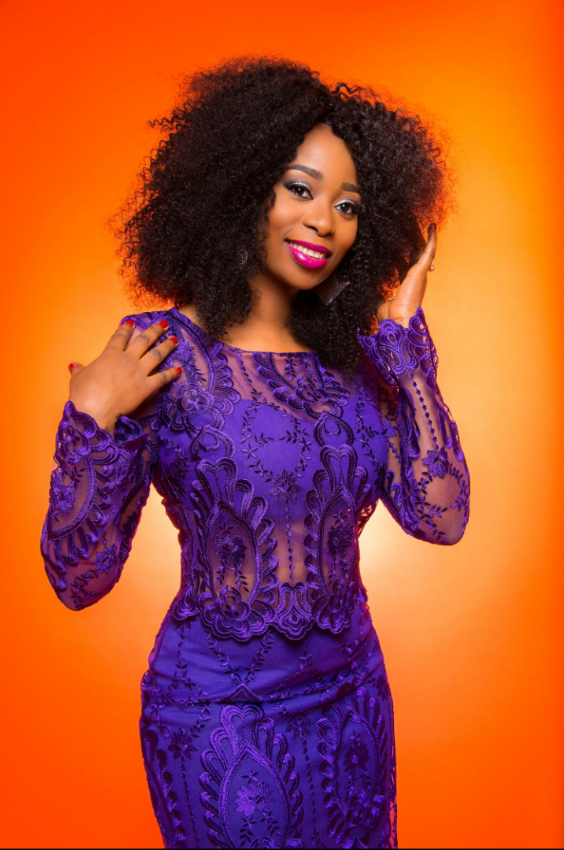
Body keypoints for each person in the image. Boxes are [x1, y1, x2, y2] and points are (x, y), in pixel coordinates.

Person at [40, 56, 470, 849]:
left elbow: (440, 518)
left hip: (354, 701)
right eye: (300, 189)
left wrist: (409, 355)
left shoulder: (360, 363)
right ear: (240, 186)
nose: (324, 222)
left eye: (348, 205)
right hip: (219, 719)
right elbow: (78, 579)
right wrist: (90, 422)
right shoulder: (161, 351)